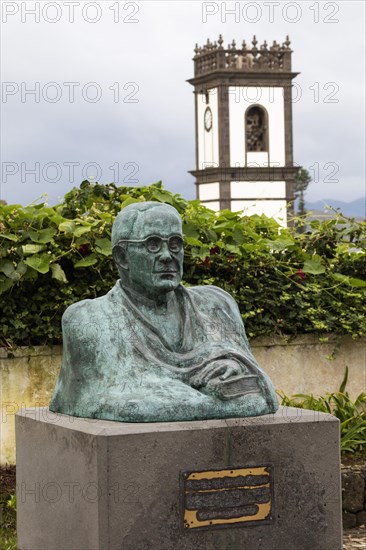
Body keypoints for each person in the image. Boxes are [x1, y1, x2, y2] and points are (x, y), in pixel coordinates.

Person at [50, 202, 278, 422]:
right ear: (122, 256)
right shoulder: (88, 318)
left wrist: (233, 367)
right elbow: (107, 401)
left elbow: (264, 395)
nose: (167, 255)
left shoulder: (217, 304)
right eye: (153, 244)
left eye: (175, 243)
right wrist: (219, 404)